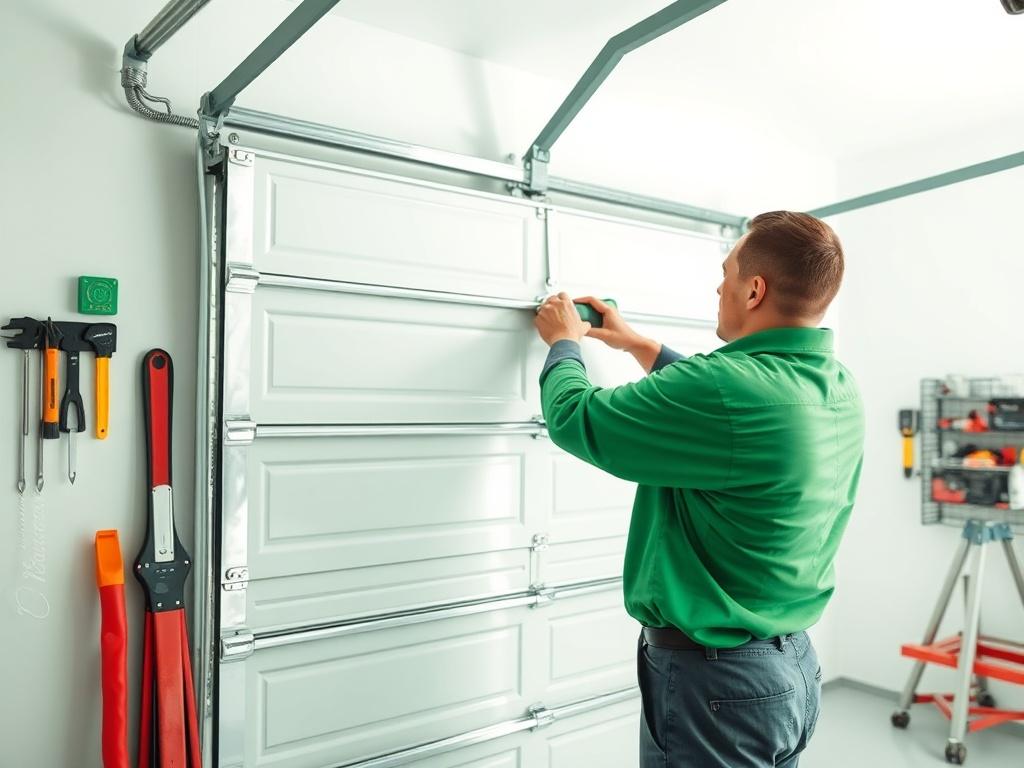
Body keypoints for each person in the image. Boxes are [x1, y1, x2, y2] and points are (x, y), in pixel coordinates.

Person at [534, 211, 864, 768]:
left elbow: (578, 418)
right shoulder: (833, 385)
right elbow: (738, 410)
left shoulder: (724, 387)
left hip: (719, 688)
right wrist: (640, 346)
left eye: (728, 272)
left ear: (754, 289)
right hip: (792, 671)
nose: (719, 285)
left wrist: (565, 343)